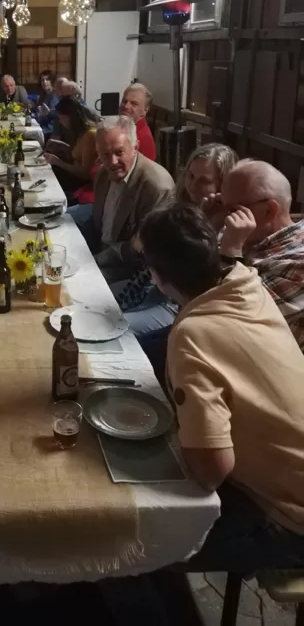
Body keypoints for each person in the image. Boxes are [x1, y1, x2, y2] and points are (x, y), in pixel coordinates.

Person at [139, 205, 304, 573]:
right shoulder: (246, 283)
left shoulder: (193, 334)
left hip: (288, 519)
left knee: (129, 545)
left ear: (157, 276)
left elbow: (212, 470)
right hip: (291, 478)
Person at [119, 144, 237, 343]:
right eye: (191, 176)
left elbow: (207, 282)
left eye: (204, 180)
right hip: (152, 286)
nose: (193, 185)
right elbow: (140, 245)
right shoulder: (180, 204)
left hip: (177, 303)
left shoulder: (228, 225)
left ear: (223, 184)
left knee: (115, 329)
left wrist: (206, 226)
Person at [210, 159, 304, 350]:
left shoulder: (297, 263)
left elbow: (233, 320)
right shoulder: (243, 230)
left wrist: (231, 252)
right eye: (221, 203)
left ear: (269, 210)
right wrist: (207, 227)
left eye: (233, 209)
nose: (225, 216)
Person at [90, 115, 174, 282]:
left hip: (132, 271)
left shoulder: (157, 187)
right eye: (105, 154)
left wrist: (96, 261)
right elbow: (98, 224)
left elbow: (143, 249)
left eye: (119, 152)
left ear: (135, 147)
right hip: (100, 254)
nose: (112, 162)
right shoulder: (102, 174)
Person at [44, 96, 98, 197]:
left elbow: (85, 174)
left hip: (81, 182)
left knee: (49, 176)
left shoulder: (90, 135)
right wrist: (61, 146)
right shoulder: (81, 132)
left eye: (61, 118)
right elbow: (78, 155)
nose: (60, 121)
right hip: (75, 176)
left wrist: (58, 162)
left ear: (69, 117)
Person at [119, 83, 157, 162]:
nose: (126, 106)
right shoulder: (124, 128)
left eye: (134, 104)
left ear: (145, 110)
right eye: (124, 101)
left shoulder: (144, 139)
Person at [35, 69, 59, 137]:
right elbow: (39, 111)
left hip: (50, 130)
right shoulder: (43, 94)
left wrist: (48, 112)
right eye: (42, 80)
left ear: (52, 81)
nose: (44, 82)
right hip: (41, 126)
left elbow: (57, 115)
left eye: (47, 79)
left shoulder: (55, 95)